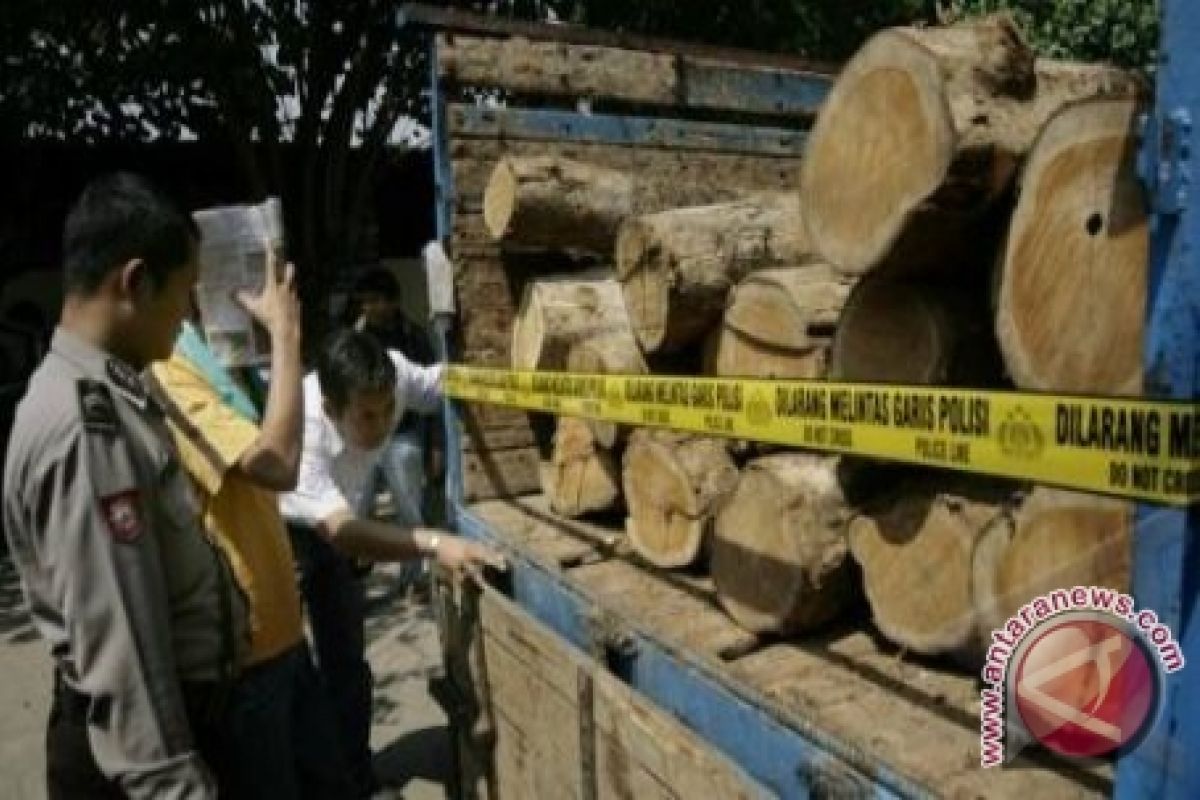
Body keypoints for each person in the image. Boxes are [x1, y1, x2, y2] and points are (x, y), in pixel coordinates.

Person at [2, 172, 243, 798]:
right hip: (144, 766)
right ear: (134, 282)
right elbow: (126, 651)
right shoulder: (88, 430)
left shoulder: (109, 392)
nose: (190, 315)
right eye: (186, 293)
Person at [146, 253, 352, 798]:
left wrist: (269, 348)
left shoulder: (227, 357)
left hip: (285, 632)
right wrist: (286, 336)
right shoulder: (169, 366)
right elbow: (275, 464)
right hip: (244, 657)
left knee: (331, 782)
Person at [281, 328, 504, 799]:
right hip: (293, 538)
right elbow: (339, 532)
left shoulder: (394, 376)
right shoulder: (301, 428)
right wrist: (432, 541)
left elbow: (441, 381)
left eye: (387, 410)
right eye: (367, 415)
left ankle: (357, 781)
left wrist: (514, 380)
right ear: (330, 407)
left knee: (347, 664)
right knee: (286, 673)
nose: (382, 424)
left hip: (347, 518)